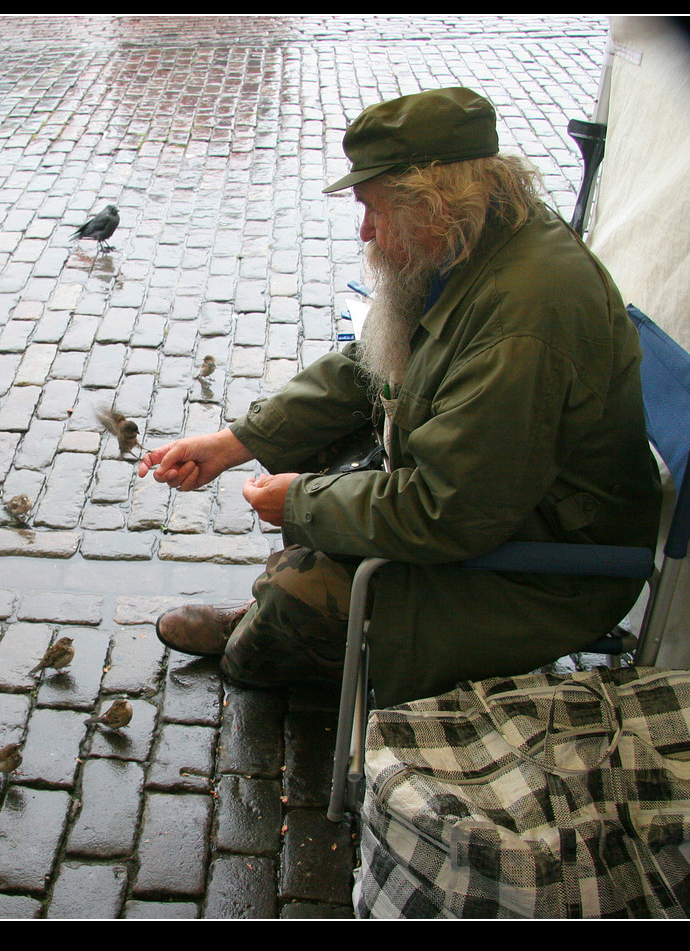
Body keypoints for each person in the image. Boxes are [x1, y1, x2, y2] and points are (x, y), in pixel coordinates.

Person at [138, 87, 662, 708]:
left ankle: (275, 635)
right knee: (320, 464)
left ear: (434, 200)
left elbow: (452, 510)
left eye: (373, 209)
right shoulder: (477, 239)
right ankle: (289, 613)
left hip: (542, 569)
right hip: (508, 506)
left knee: (285, 607)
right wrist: (236, 442)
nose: (365, 230)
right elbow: (370, 365)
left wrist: (302, 501)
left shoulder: (524, 316)